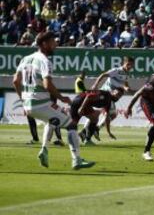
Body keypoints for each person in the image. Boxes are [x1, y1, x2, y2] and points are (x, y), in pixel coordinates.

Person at [12, 31, 95, 170]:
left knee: (50, 122)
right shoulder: (45, 61)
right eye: (53, 42)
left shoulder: (25, 59)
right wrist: (62, 98)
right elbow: (47, 85)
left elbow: (15, 81)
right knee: (71, 125)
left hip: (29, 104)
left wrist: (23, 100)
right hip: (40, 103)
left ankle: (44, 150)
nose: (55, 44)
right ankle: (77, 160)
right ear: (44, 44)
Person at [78, 56, 134, 144]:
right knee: (110, 114)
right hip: (104, 94)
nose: (129, 66)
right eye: (128, 64)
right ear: (124, 63)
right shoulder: (116, 70)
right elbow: (103, 75)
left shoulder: (126, 75)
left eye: (131, 65)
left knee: (104, 114)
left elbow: (125, 84)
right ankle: (92, 130)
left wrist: (127, 88)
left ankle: (86, 132)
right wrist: (95, 85)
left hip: (109, 97)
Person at [124, 59, 154, 161]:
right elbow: (138, 93)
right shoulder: (153, 81)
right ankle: (146, 152)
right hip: (148, 102)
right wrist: (128, 108)